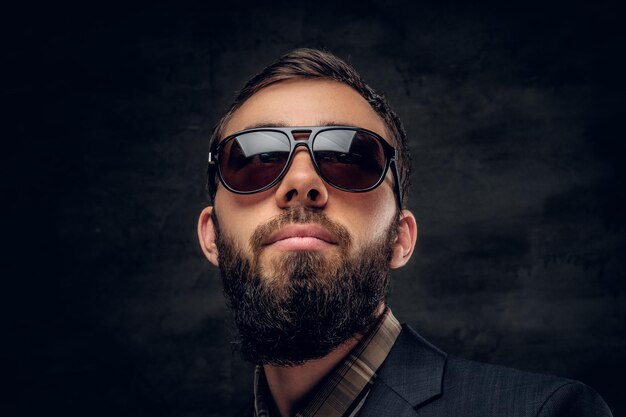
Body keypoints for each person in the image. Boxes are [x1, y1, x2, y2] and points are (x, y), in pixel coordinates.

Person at [197, 48, 612, 417]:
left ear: (401, 237)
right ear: (211, 234)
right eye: (256, 157)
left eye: (350, 157)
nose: (302, 181)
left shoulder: (549, 411)